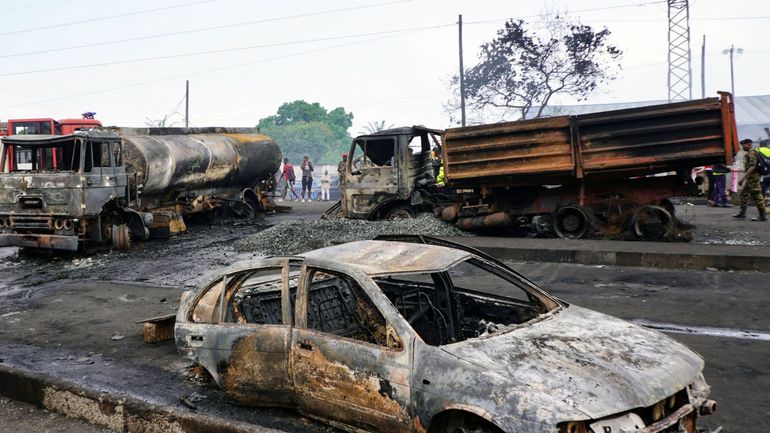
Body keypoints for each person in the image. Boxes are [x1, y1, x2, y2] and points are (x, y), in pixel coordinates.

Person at [733, 139, 766, 221]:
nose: (742, 147)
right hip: (750, 178)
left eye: (744, 145)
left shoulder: (751, 153)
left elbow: (752, 166)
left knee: (757, 196)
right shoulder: (750, 153)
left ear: (749, 144)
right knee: (743, 194)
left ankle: (762, 216)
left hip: (753, 178)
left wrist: (743, 178)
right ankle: (742, 213)